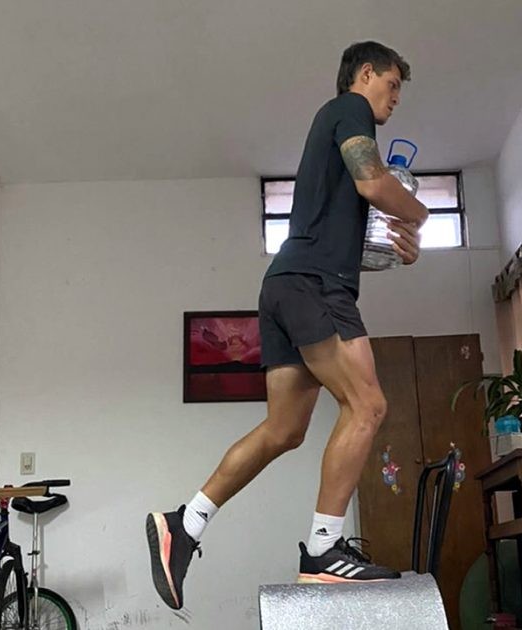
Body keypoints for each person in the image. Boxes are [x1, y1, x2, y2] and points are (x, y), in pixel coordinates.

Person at [146, 40, 429, 611]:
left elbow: (353, 226)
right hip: (314, 285)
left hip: (287, 284)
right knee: (368, 406)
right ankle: (324, 549)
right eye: (392, 84)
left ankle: (185, 523)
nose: (396, 98)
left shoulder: (331, 131)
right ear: (365, 73)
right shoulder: (349, 108)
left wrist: (398, 246)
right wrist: (421, 214)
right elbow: (373, 181)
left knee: (285, 429)